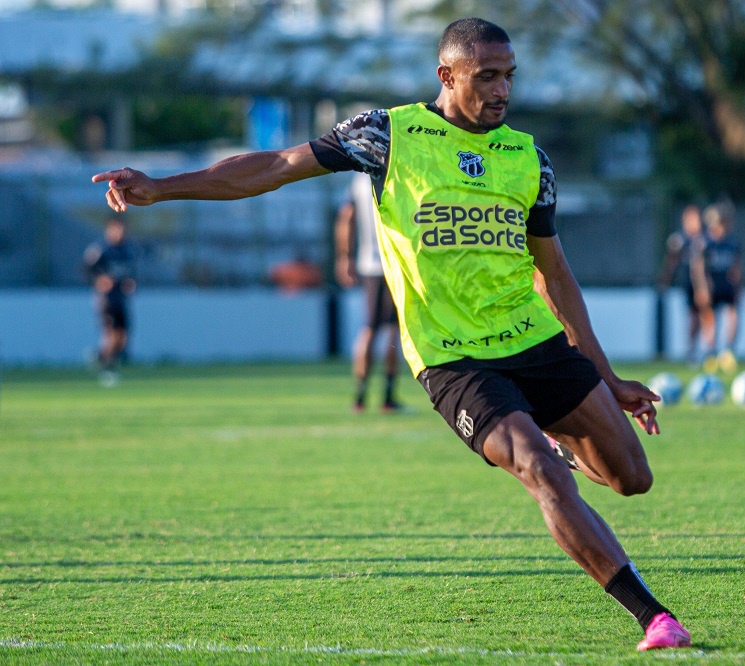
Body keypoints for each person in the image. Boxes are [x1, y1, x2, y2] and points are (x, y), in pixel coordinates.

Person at [92, 18, 690, 650]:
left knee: (631, 478)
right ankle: (654, 617)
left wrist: (605, 374)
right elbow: (272, 165)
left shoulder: (527, 158)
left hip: (533, 339)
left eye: (509, 75)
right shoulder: (387, 135)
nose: (502, 89)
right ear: (448, 75)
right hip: (452, 359)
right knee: (540, 470)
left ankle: (556, 433)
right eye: (487, 75)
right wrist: (162, 187)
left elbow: (557, 276)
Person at [335, 171, 404, 413]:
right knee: (394, 329)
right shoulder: (399, 171)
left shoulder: (359, 179)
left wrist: (344, 257)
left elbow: (346, 217)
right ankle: (388, 396)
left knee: (370, 328)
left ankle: (360, 396)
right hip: (397, 262)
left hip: (369, 263)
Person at [83, 217, 137, 387]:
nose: (120, 233)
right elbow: (86, 269)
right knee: (111, 334)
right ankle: (108, 370)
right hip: (106, 299)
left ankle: (98, 356)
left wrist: (131, 282)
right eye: (117, 229)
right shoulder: (101, 249)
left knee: (123, 337)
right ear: (110, 230)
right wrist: (99, 280)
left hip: (121, 298)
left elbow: (131, 272)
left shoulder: (128, 250)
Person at [691, 202, 742, 374]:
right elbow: (697, 267)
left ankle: (728, 351)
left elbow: (736, 266)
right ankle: (710, 353)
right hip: (711, 287)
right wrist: (701, 288)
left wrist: (740, 286)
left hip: (727, 286)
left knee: (733, 316)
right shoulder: (704, 243)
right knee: (710, 321)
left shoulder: (732, 242)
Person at [656, 205, 703, 365]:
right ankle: (692, 350)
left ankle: (712, 352)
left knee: (706, 317)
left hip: (705, 284)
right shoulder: (679, 240)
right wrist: (665, 280)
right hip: (689, 284)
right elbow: (671, 262)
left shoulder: (703, 239)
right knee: (693, 317)